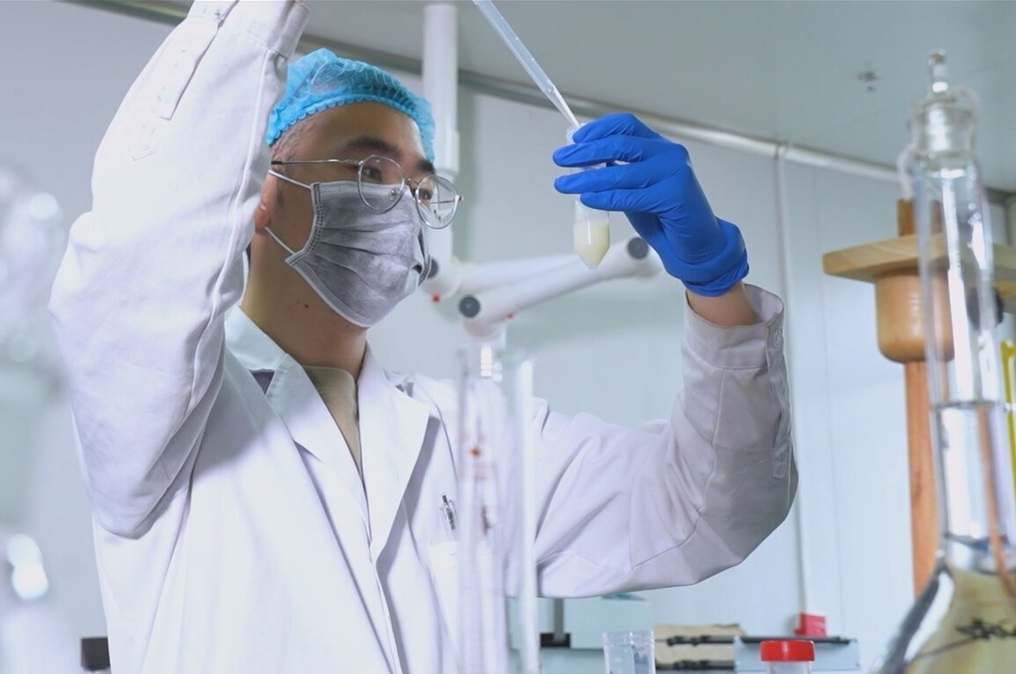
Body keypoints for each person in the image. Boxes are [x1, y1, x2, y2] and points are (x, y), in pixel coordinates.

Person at [49, 1, 795, 672]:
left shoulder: (467, 435)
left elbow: (708, 508)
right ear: (261, 191)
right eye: (370, 169)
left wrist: (716, 288)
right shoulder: (164, 418)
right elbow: (144, 246)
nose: (404, 205)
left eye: (422, 185)